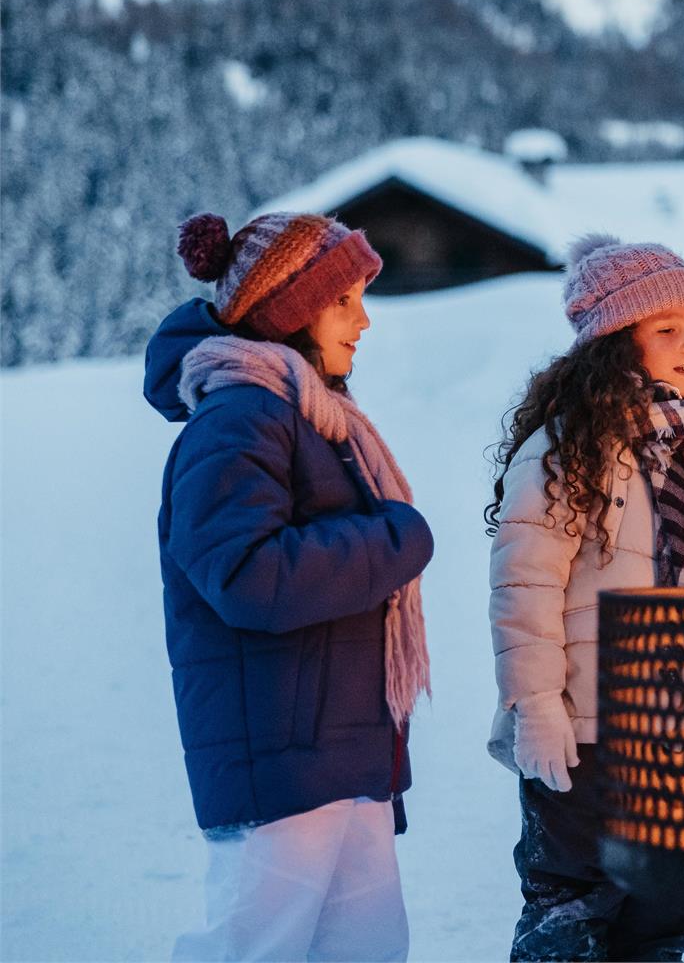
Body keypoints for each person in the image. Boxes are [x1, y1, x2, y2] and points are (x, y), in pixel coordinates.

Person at [145, 211, 435, 962]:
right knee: (254, 951)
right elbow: (247, 575)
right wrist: (392, 537)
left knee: (365, 951)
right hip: (280, 763)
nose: (364, 321)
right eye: (346, 301)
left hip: (338, 756)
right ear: (291, 310)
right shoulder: (239, 418)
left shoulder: (311, 416)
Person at [487, 237, 684, 962]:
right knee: (573, 911)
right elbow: (525, 588)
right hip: (587, 731)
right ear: (616, 342)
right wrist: (538, 706)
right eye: (666, 329)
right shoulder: (567, 448)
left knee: (668, 907)